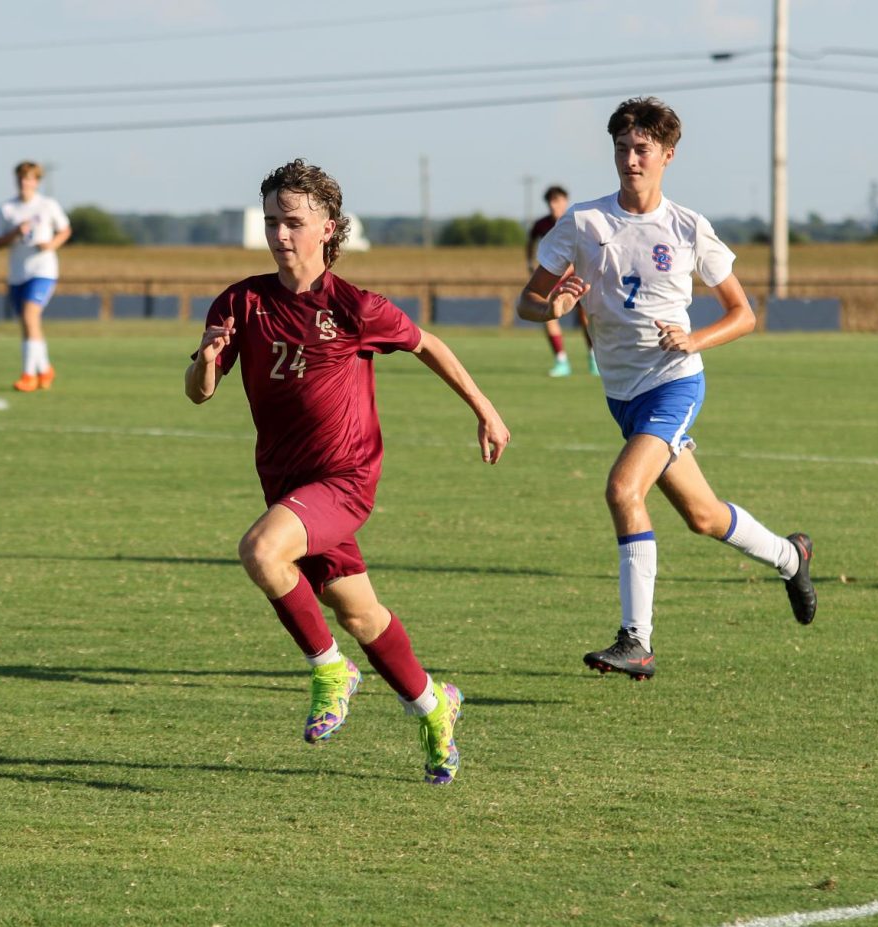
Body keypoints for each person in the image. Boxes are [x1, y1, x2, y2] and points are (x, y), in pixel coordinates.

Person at [185, 159, 511, 784]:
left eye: (295, 223)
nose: (281, 235)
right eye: (272, 222)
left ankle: (330, 670)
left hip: (343, 481)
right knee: (360, 613)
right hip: (287, 484)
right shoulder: (241, 301)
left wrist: (486, 410)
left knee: (259, 550)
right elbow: (200, 393)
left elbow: (429, 345)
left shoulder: (355, 306)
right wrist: (206, 358)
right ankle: (434, 706)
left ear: (329, 227)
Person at [517, 97, 816, 680]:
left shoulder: (687, 227)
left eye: (642, 149)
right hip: (622, 394)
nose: (630, 159)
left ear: (667, 156)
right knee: (703, 516)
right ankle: (790, 554)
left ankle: (637, 640)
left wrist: (694, 340)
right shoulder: (583, 223)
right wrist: (552, 305)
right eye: (622, 149)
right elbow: (527, 302)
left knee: (624, 489)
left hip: (674, 384)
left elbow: (743, 314)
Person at [0, 161, 72, 392]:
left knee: (29, 316)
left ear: (36, 181)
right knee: (28, 325)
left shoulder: (47, 205)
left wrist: (51, 244)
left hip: (43, 272)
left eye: (29, 178)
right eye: (21, 178)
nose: (24, 182)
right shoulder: (7, 208)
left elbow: (65, 229)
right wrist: (15, 232)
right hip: (18, 273)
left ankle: (28, 375)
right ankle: (44, 369)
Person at [526, 185, 597, 377]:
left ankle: (593, 357)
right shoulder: (541, 225)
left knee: (585, 318)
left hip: (576, 277)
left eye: (557, 201)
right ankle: (561, 361)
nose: (553, 205)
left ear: (565, 201)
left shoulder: (577, 221)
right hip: (553, 279)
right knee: (548, 314)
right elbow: (530, 243)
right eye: (550, 201)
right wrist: (530, 263)